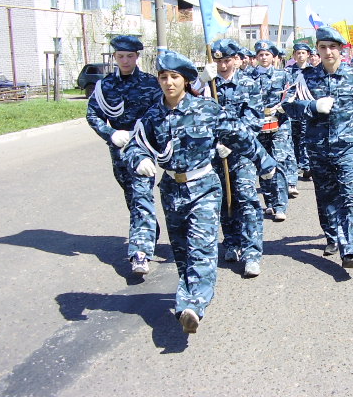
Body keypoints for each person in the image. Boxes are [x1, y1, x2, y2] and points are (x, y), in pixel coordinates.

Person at [123, 50, 276, 333]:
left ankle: (195, 304)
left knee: (202, 250)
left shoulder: (207, 110)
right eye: (163, 77)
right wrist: (140, 159)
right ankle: (188, 299)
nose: (168, 83)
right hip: (171, 189)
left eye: (175, 77)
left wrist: (265, 164)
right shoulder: (152, 116)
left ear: (186, 81)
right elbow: (134, 145)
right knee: (182, 253)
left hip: (204, 187)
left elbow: (241, 136)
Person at [282, 27, 353, 269]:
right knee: (325, 198)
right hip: (317, 148)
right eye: (323, 47)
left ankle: (351, 249)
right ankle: (333, 237)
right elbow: (288, 106)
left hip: (348, 148)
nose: (328, 52)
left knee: (349, 196)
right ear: (318, 50)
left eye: (332, 47)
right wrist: (313, 107)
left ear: (341, 50)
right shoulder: (306, 78)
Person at [86, 35, 162, 275]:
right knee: (132, 196)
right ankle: (149, 228)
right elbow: (93, 114)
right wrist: (110, 133)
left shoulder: (151, 83)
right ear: (115, 57)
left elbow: (162, 112)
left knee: (141, 195)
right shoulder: (105, 85)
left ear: (137, 57)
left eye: (130, 56)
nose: (125, 60)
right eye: (121, 56)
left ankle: (140, 252)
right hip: (119, 149)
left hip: (142, 147)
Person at [208, 39, 267, 277]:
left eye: (227, 61)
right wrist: (200, 84)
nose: (223, 66)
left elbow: (254, 121)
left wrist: (233, 142)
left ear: (236, 60)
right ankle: (231, 243)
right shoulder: (207, 85)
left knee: (246, 197)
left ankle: (252, 253)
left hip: (242, 153)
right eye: (218, 61)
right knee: (223, 199)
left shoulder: (249, 84)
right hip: (214, 154)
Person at [252, 40, 294, 222]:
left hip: (280, 124)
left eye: (267, 54)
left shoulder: (283, 75)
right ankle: (269, 201)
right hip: (259, 124)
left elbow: (292, 94)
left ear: (274, 57)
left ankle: (280, 205)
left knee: (279, 161)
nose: (264, 58)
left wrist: (283, 106)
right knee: (263, 163)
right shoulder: (249, 76)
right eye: (260, 54)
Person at [286, 42, 313, 183]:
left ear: (308, 55)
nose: (300, 55)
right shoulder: (289, 71)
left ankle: (307, 166)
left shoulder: (313, 71)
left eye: (303, 53)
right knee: (293, 139)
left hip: (307, 109)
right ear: (294, 55)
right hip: (293, 110)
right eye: (298, 53)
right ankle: (296, 165)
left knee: (306, 137)